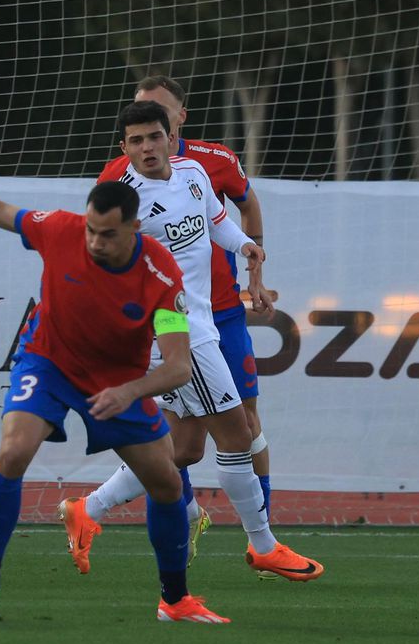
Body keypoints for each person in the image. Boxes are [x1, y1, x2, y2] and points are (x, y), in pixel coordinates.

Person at [0, 144, 230, 625]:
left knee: (167, 483)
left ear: (135, 229)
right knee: (12, 453)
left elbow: (177, 366)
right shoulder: (61, 229)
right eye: (91, 230)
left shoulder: (160, 274)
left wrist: (130, 391)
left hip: (117, 379)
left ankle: (174, 600)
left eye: (107, 235)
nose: (94, 242)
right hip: (48, 360)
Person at [59, 101, 323, 583]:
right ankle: (262, 545)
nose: (147, 147)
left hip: (200, 322)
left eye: (154, 137)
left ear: (169, 137)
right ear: (124, 149)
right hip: (178, 333)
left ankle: (87, 509)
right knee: (238, 434)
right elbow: (100, 266)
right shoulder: (122, 204)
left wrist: (244, 244)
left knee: (182, 450)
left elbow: (215, 221)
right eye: (136, 141)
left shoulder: (195, 172)